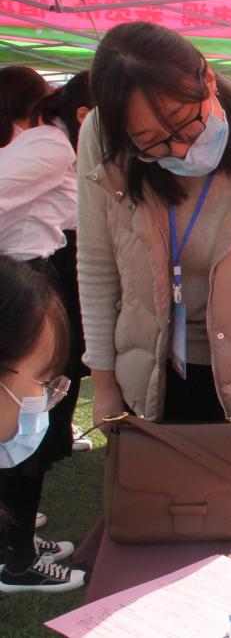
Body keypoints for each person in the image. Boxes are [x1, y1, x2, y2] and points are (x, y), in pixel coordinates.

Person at [78, 21, 231, 492]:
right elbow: (96, 267)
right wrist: (105, 384)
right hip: (144, 377)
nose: (180, 147)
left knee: (230, 516)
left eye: (185, 121)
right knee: (145, 511)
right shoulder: (102, 135)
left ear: (207, 78)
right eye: (151, 141)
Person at [0, 69, 91, 593]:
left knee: (29, 421)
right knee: (26, 422)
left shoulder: (52, 145)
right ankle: (18, 562)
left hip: (32, 275)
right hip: (23, 281)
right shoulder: (52, 146)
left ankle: (15, 543)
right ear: (85, 115)